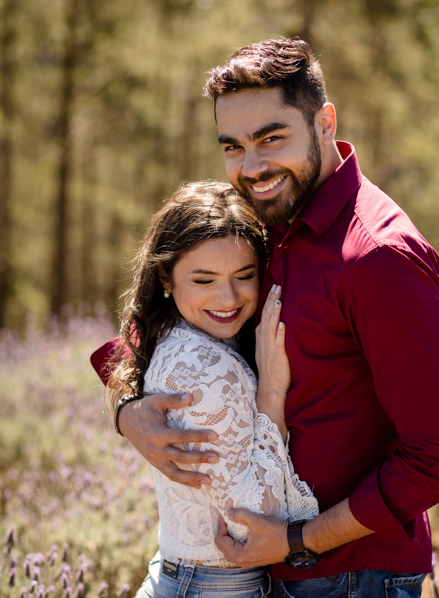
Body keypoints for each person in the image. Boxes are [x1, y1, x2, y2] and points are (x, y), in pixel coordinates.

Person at [94, 38, 439, 598]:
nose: (251, 167)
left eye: (272, 138)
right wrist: (128, 410)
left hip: (352, 576)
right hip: (262, 570)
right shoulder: (267, 219)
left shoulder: (377, 259)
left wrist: (300, 540)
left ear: (324, 122)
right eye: (233, 147)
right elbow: (157, 315)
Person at [104, 180, 319, 598]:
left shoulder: (170, 333)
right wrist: (272, 393)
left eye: (245, 275)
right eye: (204, 280)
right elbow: (250, 521)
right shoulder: (206, 366)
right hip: (217, 586)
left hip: (182, 575)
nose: (228, 297)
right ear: (166, 276)